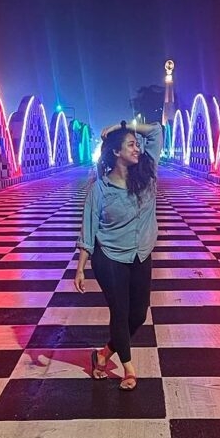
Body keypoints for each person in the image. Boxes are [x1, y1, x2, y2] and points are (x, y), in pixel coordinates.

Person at [74, 120, 162, 390]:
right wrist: (81, 268)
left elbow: (156, 131)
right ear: (115, 152)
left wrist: (120, 126)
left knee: (139, 314)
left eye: (137, 144)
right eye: (131, 144)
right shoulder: (100, 189)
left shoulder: (147, 175)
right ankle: (128, 369)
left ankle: (103, 354)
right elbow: (89, 228)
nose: (137, 149)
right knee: (120, 312)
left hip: (140, 253)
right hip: (110, 257)